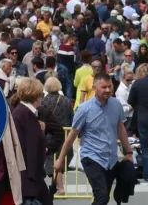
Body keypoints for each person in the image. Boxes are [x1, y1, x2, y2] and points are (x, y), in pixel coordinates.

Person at [54, 73, 134, 205]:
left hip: (110, 159)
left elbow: (121, 130)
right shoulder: (84, 109)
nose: (108, 90)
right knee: (102, 196)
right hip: (92, 157)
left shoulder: (116, 105)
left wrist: (129, 152)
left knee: (103, 198)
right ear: (94, 88)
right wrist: (61, 159)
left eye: (110, 87)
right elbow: (72, 136)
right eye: (103, 87)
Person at [10, 78, 52, 205]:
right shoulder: (24, 114)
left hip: (32, 177)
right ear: (36, 96)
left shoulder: (23, 113)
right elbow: (28, 148)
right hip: (30, 179)